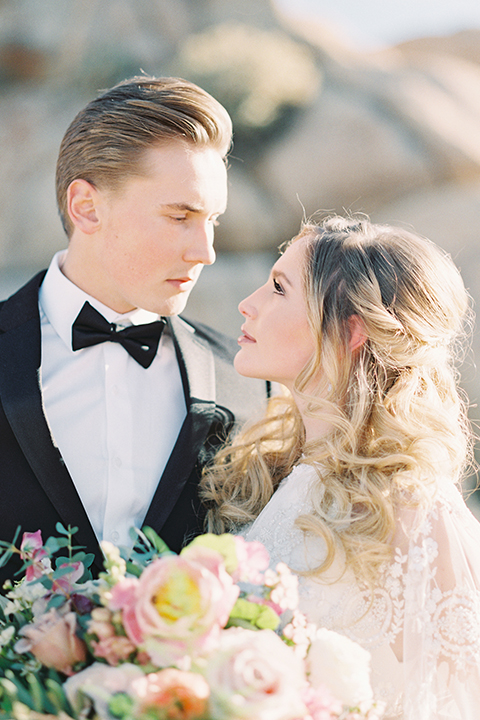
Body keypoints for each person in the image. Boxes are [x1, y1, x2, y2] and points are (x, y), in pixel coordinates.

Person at [201, 215, 480, 719]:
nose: (249, 303)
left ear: (351, 330)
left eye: (279, 289)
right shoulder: (269, 473)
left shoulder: (414, 508)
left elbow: (455, 697)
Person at [0, 75, 268, 585]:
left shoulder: (248, 386)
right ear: (87, 207)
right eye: (180, 216)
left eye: (212, 219)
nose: (205, 251)